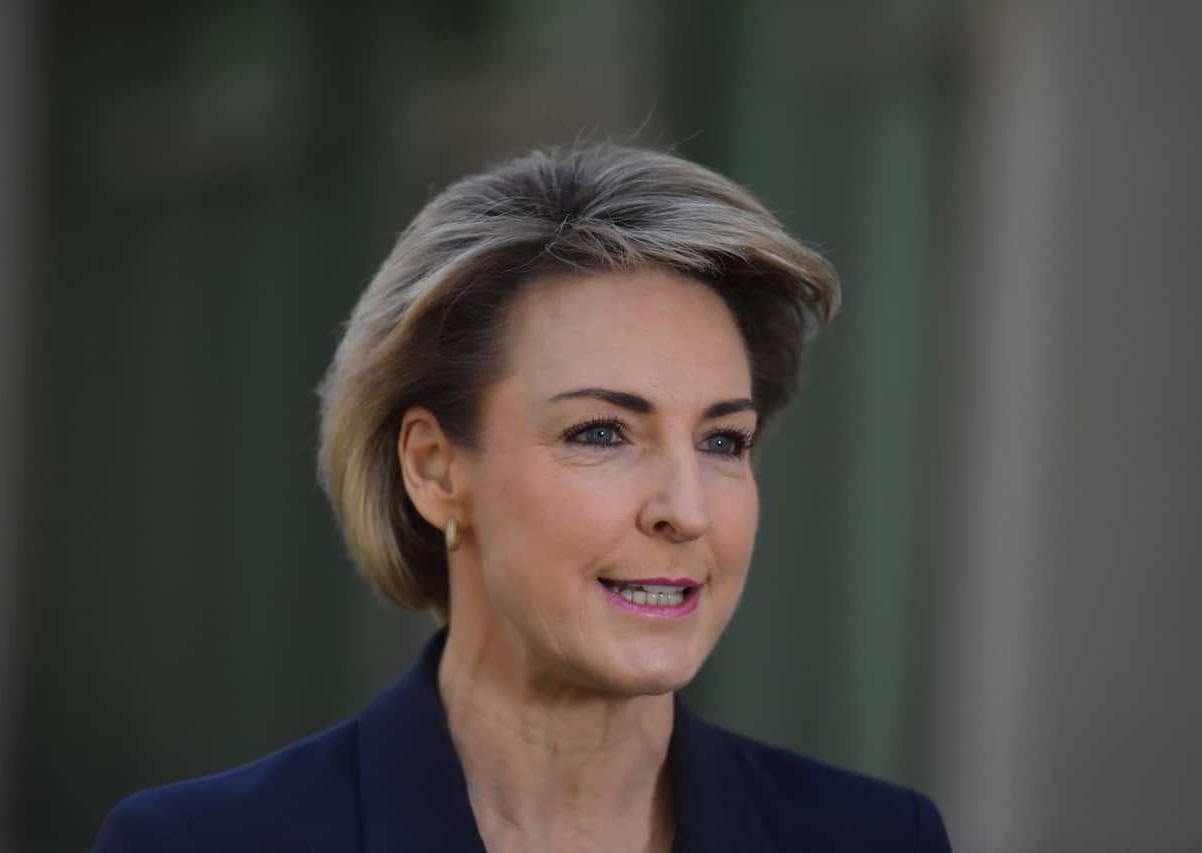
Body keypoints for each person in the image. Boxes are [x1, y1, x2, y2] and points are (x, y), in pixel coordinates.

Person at [93, 144, 952, 852]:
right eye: (602, 432)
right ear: (435, 470)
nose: (686, 510)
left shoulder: (878, 839)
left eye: (723, 440)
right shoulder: (200, 843)